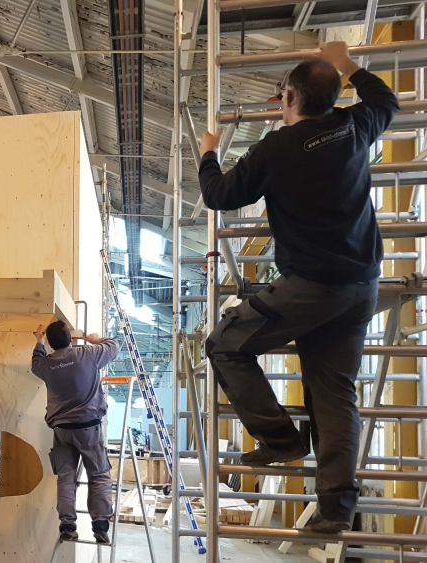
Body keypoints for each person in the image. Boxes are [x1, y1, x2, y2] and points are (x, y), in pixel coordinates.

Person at [198, 42, 399, 533]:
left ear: (288, 98)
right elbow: (385, 100)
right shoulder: (354, 126)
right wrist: (345, 62)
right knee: (334, 396)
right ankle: (335, 510)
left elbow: (218, 195)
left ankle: (282, 440)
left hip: (310, 288)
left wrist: (208, 152)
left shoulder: (276, 148)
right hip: (360, 289)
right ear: (333, 97)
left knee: (223, 344)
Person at [31, 321, 120, 543]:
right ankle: (100, 527)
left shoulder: (46, 364)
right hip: (88, 428)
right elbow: (114, 346)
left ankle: (67, 526)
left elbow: (35, 362)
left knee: (66, 478)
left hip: (61, 430)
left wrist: (38, 341)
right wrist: (96, 338)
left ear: (51, 343)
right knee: (98, 475)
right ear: (71, 339)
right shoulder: (88, 354)